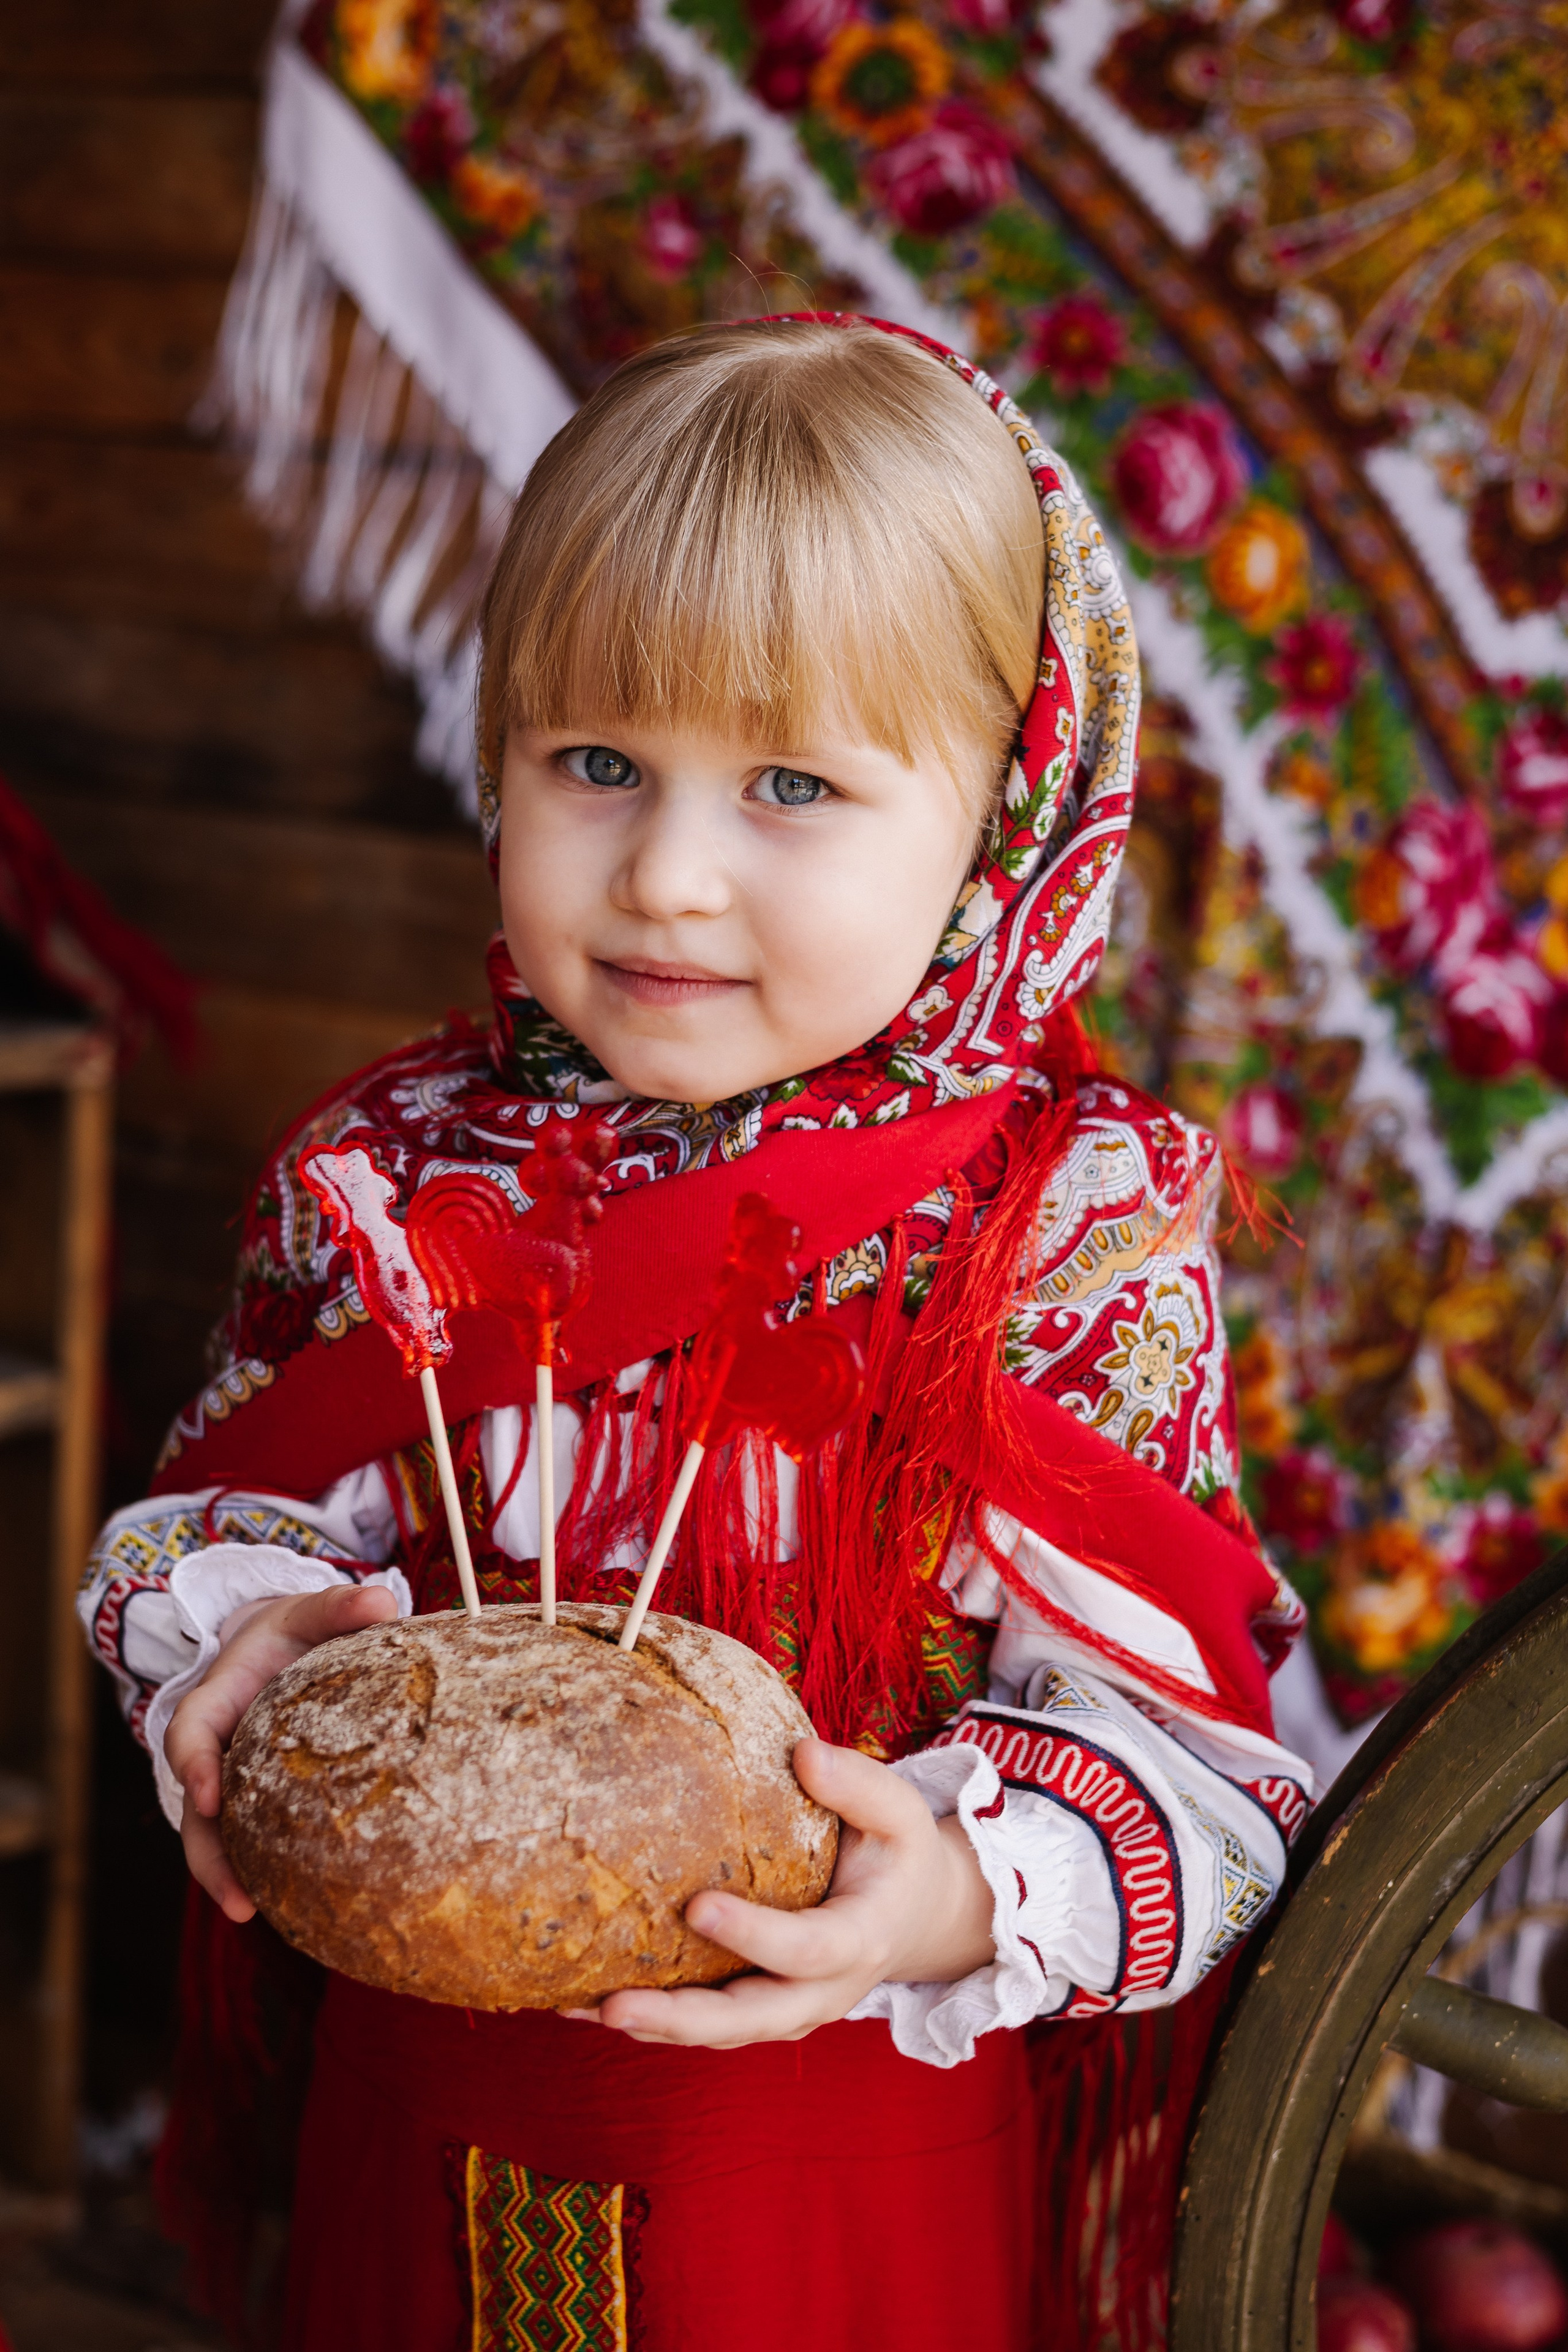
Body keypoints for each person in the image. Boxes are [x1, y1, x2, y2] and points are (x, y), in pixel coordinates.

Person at [81, 315, 1311, 2352]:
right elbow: (211, 1519)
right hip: (410, 2142)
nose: (664, 873)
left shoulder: (1059, 1237)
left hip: (845, 2192)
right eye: (594, 764)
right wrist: (250, 1633)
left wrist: (947, 1895)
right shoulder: (390, 1179)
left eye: (794, 784)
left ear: (1006, 822)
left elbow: (1211, 1781)